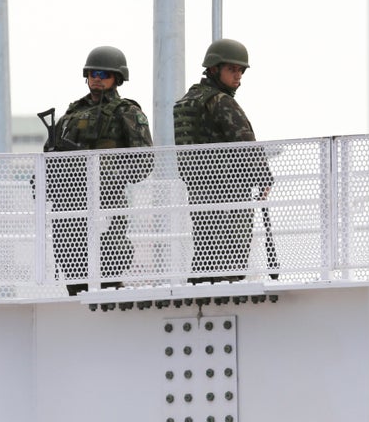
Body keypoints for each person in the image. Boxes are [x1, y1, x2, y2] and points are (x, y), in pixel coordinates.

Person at [44, 46, 153, 296]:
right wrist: (42, 180)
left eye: (104, 74)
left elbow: (144, 159)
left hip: (108, 202)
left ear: (117, 78)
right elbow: (51, 154)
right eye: (93, 73)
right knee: (72, 263)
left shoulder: (126, 112)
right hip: (70, 202)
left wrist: (105, 176)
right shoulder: (72, 113)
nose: (97, 78)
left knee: (109, 263)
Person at [173, 39, 273, 284]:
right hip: (229, 192)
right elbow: (245, 143)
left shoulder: (188, 101)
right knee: (231, 258)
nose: (238, 75)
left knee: (206, 253)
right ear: (215, 69)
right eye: (232, 69)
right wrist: (264, 178)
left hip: (200, 191)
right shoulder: (221, 102)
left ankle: (201, 293)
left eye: (240, 70)